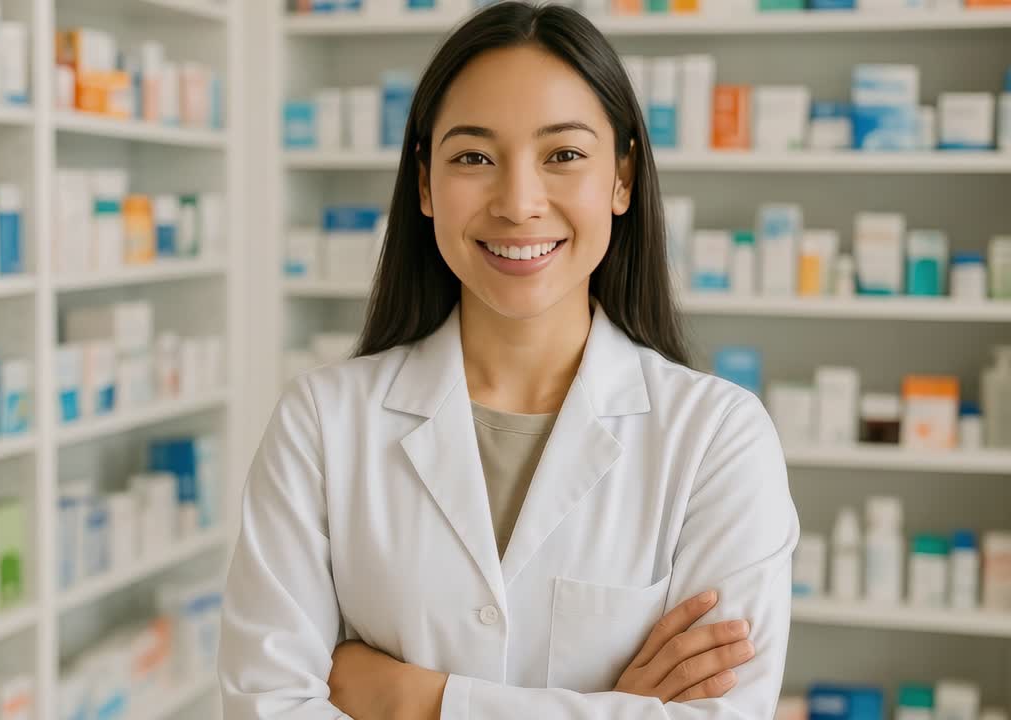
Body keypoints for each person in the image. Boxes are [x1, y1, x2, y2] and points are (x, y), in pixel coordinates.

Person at [219, 3, 799, 718]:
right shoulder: (322, 423)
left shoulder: (718, 438)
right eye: (472, 157)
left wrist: (416, 702)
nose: (519, 203)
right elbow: (267, 707)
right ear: (426, 185)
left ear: (621, 179)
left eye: (563, 156)